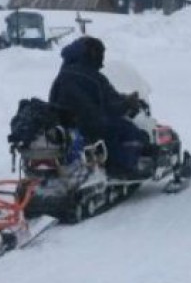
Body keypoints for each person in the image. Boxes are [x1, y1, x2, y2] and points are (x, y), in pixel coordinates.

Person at [48, 36, 152, 179]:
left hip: (67, 126)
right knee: (129, 130)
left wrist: (122, 99)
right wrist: (128, 103)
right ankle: (123, 168)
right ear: (92, 54)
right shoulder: (94, 78)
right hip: (91, 125)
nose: (102, 60)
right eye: (100, 54)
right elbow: (112, 104)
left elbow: (52, 101)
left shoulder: (62, 76)